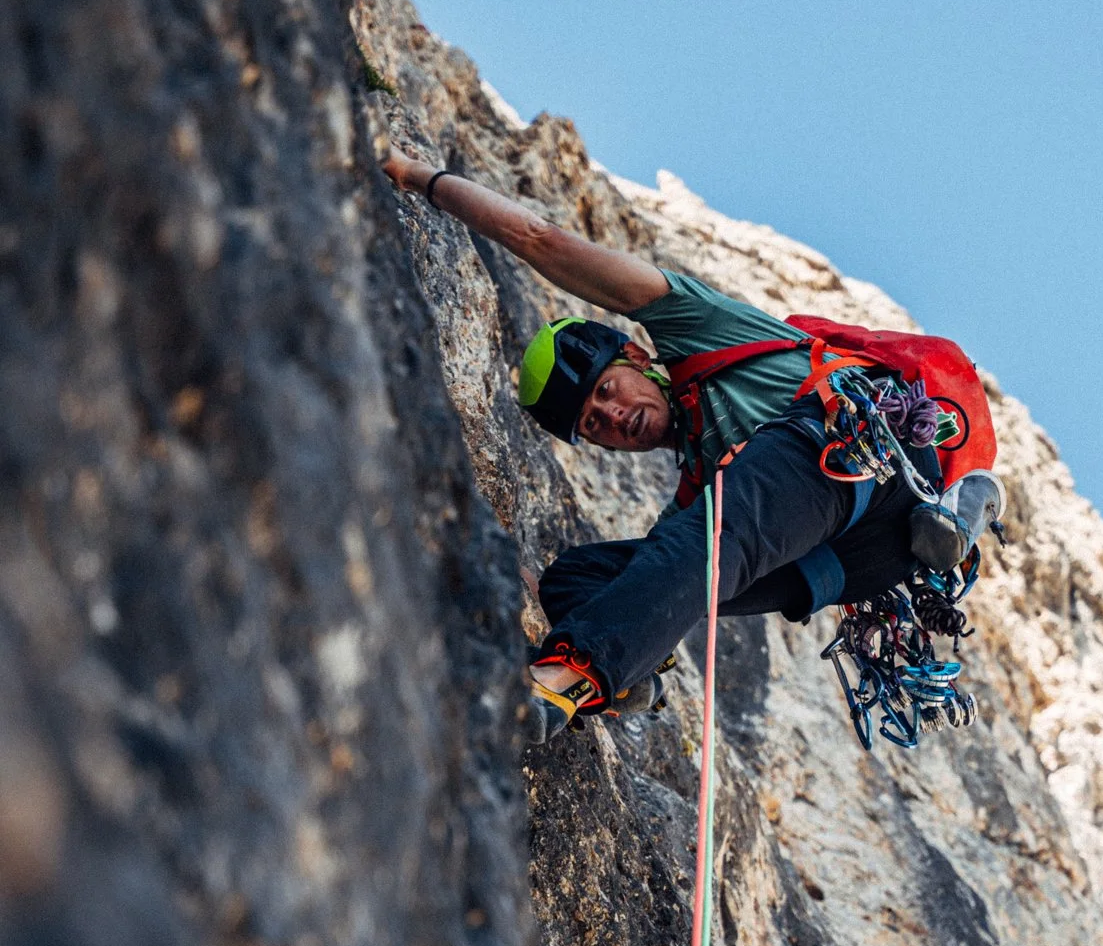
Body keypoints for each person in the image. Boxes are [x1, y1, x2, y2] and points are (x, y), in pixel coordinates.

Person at [382, 155, 1001, 728]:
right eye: (594, 425)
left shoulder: (704, 332)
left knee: (702, 539)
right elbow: (672, 565)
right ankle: (633, 676)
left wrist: (418, 177)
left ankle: (562, 679)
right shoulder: (695, 490)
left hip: (860, 450)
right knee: (583, 580)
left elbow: (539, 239)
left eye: (606, 391)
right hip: (854, 560)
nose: (613, 415)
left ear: (634, 355)